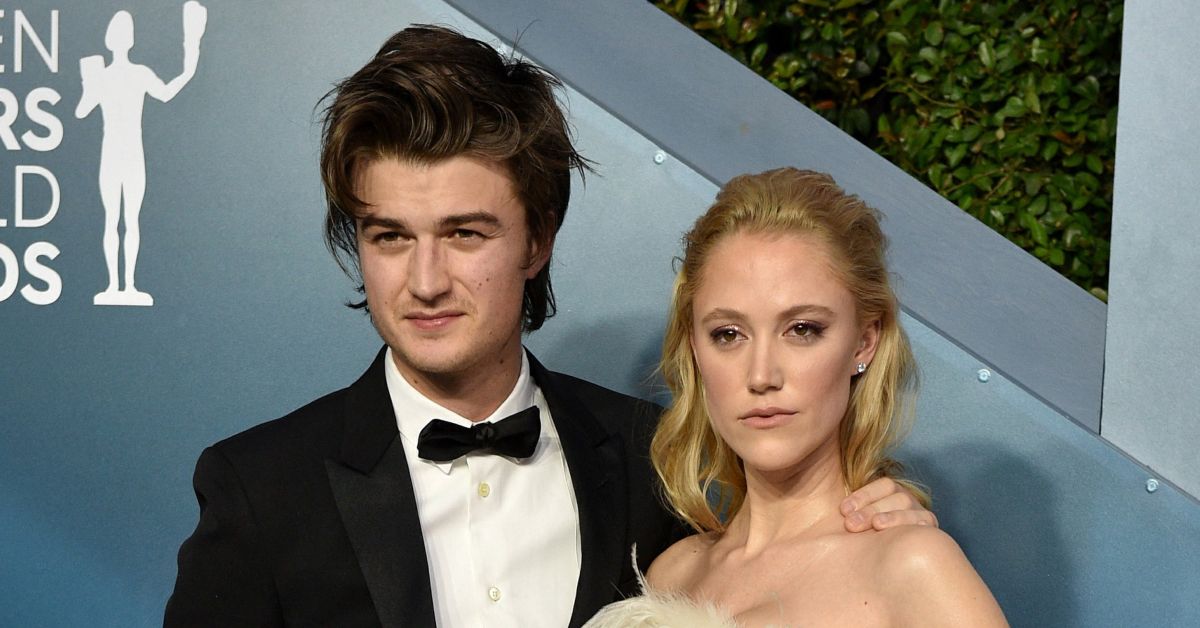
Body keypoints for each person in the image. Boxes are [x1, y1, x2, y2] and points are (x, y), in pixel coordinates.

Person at [165, 27, 933, 627]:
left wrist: (877, 530)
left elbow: (792, 570)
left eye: (466, 234)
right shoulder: (264, 489)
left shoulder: (650, 463)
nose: (425, 281)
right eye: (390, 236)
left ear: (538, 239)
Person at [587, 168, 1007, 627]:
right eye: (728, 334)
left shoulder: (912, 568)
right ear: (694, 349)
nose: (762, 375)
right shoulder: (672, 573)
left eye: (802, 330)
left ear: (864, 343)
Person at [76, 1, 207, 306]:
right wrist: (88, 82)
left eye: (125, 33)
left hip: (131, 155)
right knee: (113, 220)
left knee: (128, 220)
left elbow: (168, 91)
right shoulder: (104, 75)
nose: (121, 38)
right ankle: (114, 285)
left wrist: (192, 50)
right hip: (114, 155)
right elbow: (82, 111)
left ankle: (128, 286)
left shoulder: (139, 73)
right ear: (112, 40)